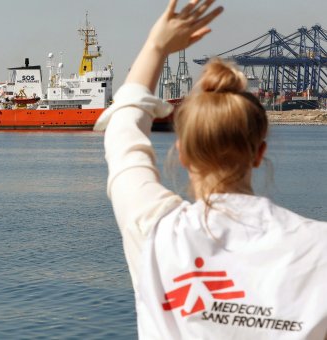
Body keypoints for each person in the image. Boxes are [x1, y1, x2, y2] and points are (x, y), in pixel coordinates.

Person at [93, 0, 327, 339]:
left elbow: (122, 130)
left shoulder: (155, 231)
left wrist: (156, 46)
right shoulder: (318, 245)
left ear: (183, 154)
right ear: (259, 153)